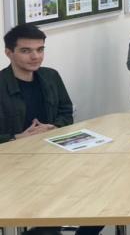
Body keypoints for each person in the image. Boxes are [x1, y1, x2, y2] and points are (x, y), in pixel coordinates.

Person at [1, 24, 105, 235]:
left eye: (40, 49)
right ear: (9, 53)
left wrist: (54, 127)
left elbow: (66, 110)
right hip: (13, 164)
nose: (35, 56)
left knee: (102, 191)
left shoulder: (51, 76)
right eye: (26, 50)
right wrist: (16, 137)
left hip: (52, 155)